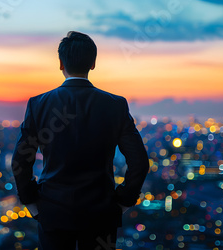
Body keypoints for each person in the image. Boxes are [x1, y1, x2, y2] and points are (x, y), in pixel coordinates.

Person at [11, 31, 149, 250]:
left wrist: (32, 203)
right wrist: (123, 201)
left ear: (60, 63)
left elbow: (21, 160)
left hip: (52, 210)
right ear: (93, 63)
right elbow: (139, 162)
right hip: (100, 212)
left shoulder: (39, 104)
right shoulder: (115, 105)